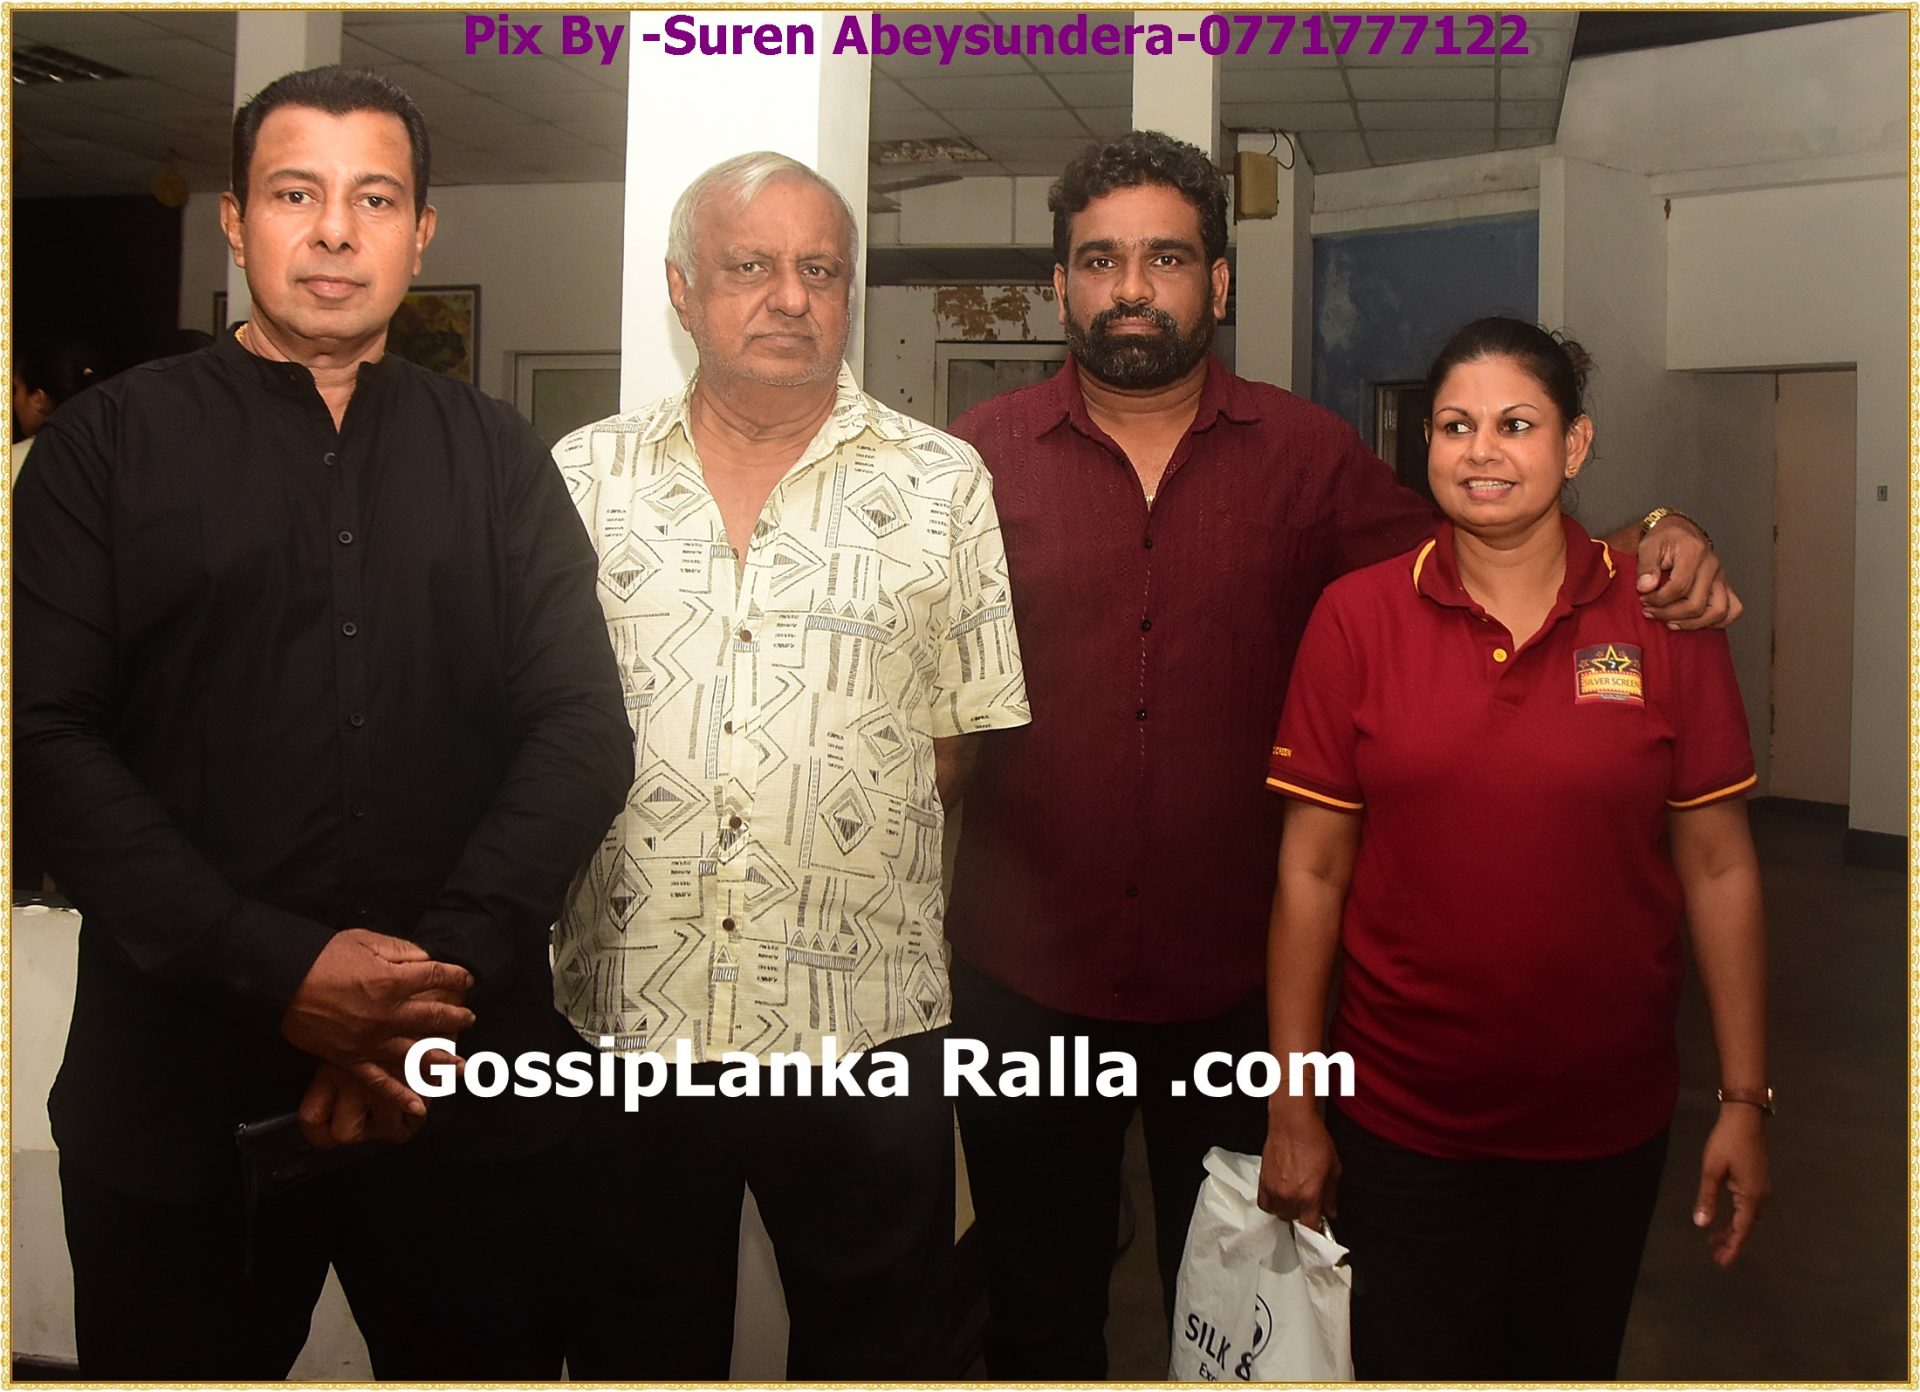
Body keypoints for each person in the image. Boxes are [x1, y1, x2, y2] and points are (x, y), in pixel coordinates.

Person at [943, 130, 1742, 1379]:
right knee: (1034, 1316)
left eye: (1166, 258)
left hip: (1236, 987)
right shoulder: (971, 461)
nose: (1131, 288)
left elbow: (1483, 532)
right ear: (1059, 285)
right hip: (1024, 978)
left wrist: (1652, 529)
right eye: (1100, 261)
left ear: (1218, 282)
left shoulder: (1306, 455)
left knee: (1249, 1316)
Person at [13, 66, 632, 1379]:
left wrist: (414, 998)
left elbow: (582, 730)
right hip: (178, 1107)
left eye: (376, 198)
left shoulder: (498, 457)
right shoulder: (100, 451)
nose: (337, 231)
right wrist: (286, 975)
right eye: (297, 194)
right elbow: (47, 739)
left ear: (423, 232)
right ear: (237, 222)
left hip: (463, 1090)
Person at [550, 151, 1030, 1380]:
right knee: (629, 1349)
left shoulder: (941, 485)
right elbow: (532, 730)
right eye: (750, 266)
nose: (790, 297)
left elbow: (954, 746)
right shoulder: (581, 481)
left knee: (880, 1350)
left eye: (821, 270)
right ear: (681, 287)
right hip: (631, 1016)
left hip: (862, 1022)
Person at [1257, 317, 1769, 1379]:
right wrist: (1294, 1102)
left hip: (1606, 1120)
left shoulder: (1665, 619)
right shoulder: (1357, 618)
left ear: (1575, 445)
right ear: (1426, 445)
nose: (1481, 451)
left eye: (1516, 425)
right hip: (1400, 1116)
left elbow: (1719, 867)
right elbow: (1312, 871)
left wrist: (1744, 1098)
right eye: (1456, 426)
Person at [12, 336, 102, 482]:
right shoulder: (116, 455)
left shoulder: (11, 464)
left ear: (38, 399)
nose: (14, 400)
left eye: (16, 389)